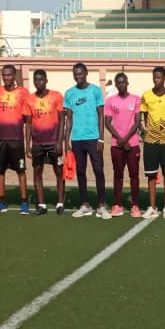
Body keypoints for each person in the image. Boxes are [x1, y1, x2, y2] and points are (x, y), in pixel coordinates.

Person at [64, 62, 108, 218]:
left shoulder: (95, 91)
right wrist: (66, 140)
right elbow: (68, 119)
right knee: (81, 171)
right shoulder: (69, 93)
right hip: (77, 139)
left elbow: (101, 115)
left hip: (93, 138)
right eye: (75, 74)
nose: (78, 77)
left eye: (80, 73)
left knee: (98, 170)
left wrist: (101, 139)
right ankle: (85, 205)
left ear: (86, 73)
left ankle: (101, 205)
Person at [0, 64, 30, 214]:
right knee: (0, 170)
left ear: (14, 76)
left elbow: (28, 114)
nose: (6, 78)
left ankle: (24, 202)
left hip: (16, 139)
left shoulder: (23, 93)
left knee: (21, 170)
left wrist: (18, 121)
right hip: (0, 138)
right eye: (4, 75)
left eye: (9, 75)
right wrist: (0, 118)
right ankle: (1, 201)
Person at [26, 69, 66, 215]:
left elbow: (62, 119)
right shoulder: (29, 99)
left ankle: (60, 204)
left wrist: (59, 141)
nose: (39, 82)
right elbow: (28, 124)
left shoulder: (56, 96)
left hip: (54, 141)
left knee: (58, 172)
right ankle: (41, 204)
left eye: (41, 79)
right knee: (37, 172)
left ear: (46, 80)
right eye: (36, 80)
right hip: (37, 143)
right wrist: (27, 145)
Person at [140, 65, 165, 219]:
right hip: (150, 142)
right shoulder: (146, 95)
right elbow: (144, 116)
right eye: (155, 77)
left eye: (160, 77)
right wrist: (146, 133)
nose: (157, 80)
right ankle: (152, 206)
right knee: (151, 174)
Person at [104, 72, 141, 216]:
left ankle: (135, 205)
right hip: (116, 144)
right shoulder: (111, 101)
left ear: (127, 83)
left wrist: (126, 140)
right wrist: (120, 139)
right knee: (118, 175)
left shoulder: (135, 99)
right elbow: (107, 122)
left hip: (132, 144)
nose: (121, 85)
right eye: (118, 83)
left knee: (134, 175)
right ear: (116, 85)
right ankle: (117, 204)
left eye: (123, 82)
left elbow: (137, 122)